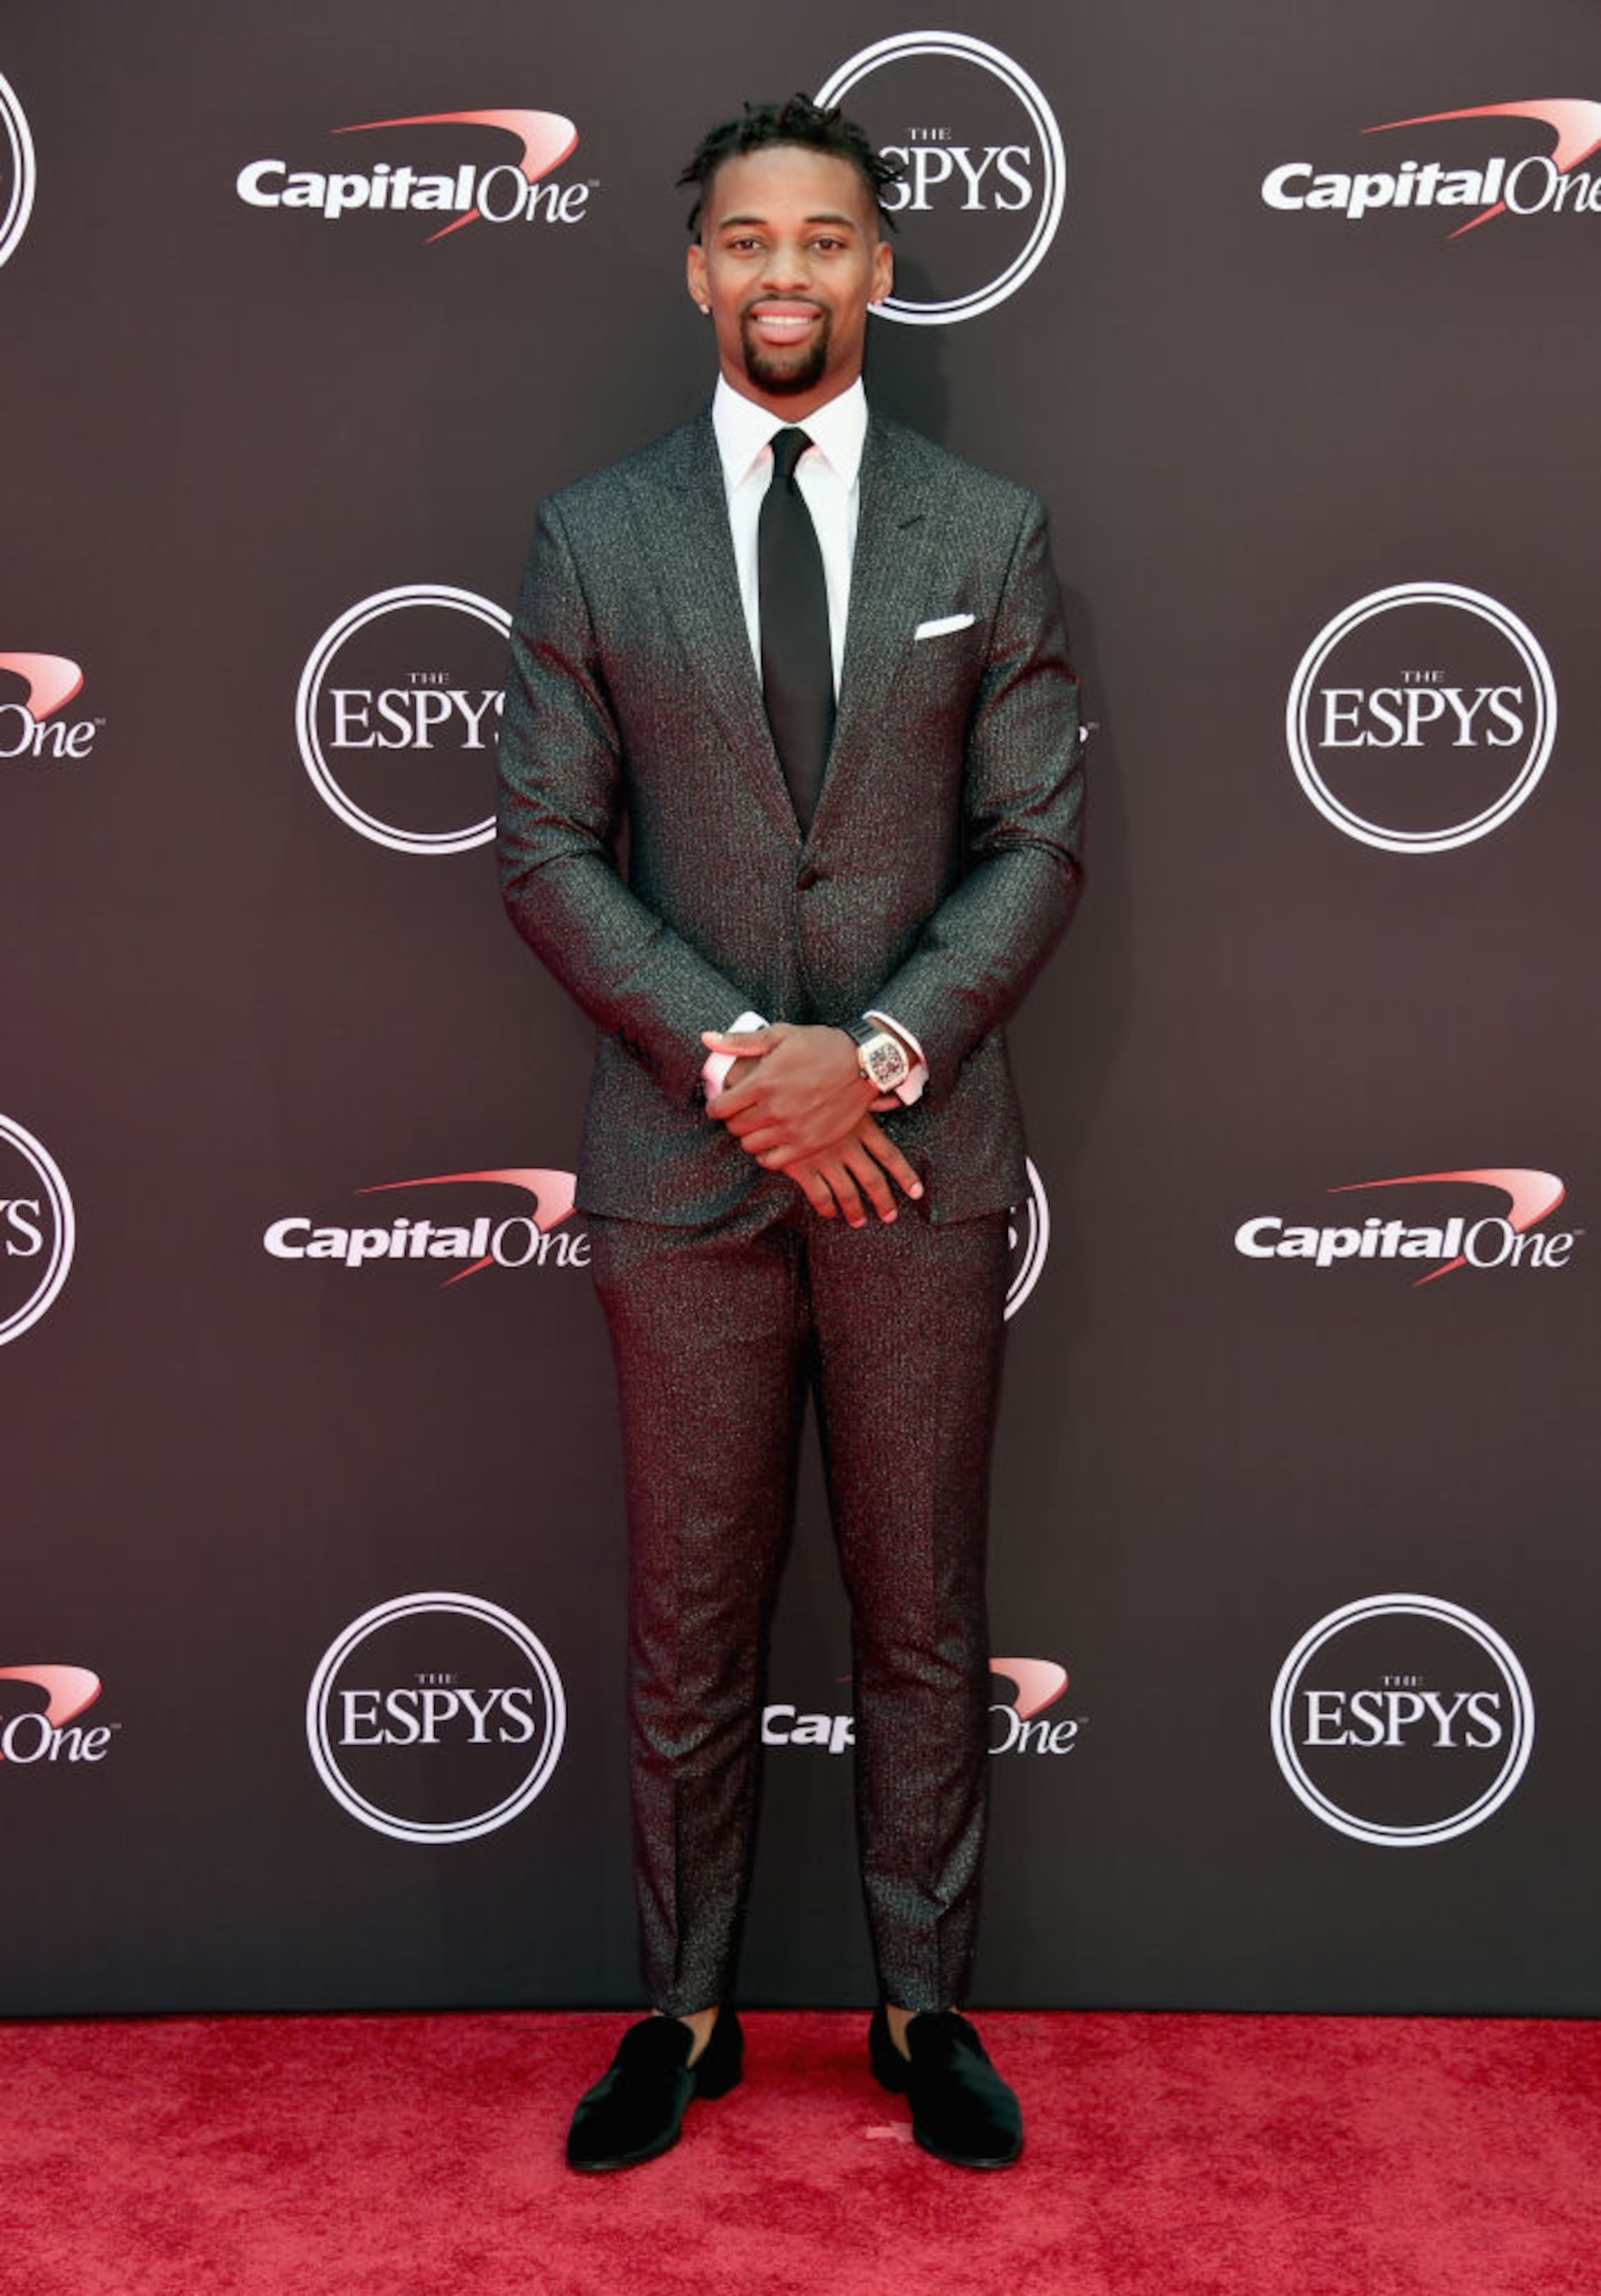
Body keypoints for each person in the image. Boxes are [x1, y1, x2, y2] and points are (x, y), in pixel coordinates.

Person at [497, 92, 1084, 2173]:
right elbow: (549, 854)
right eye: (748, 240)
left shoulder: (983, 531)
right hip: (686, 1171)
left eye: (823, 242)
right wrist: (755, 1058)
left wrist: (886, 1059)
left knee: (926, 1607)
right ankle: (688, 2010)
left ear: (879, 272)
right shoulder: (595, 531)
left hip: (919, 1168)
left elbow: (1033, 846)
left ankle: (929, 2018)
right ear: (695, 270)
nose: (783, 276)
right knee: (693, 1610)